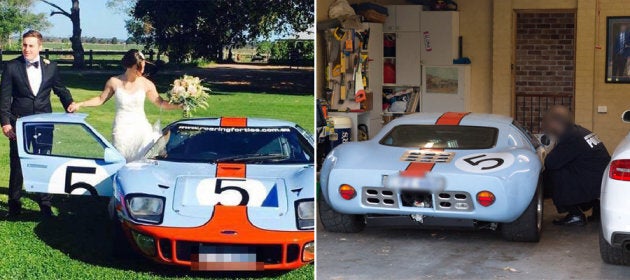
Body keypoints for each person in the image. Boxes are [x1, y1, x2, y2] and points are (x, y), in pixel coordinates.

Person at [0, 30, 77, 218]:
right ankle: (14, 205)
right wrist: (5, 123)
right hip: (19, 123)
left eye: (31, 45)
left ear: (40, 47)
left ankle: (45, 204)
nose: (26, 49)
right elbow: (3, 98)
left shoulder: (51, 67)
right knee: (17, 164)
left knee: (43, 161)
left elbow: (60, 88)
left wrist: (69, 103)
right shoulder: (11, 67)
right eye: (24, 45)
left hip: (44, 122)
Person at [67, 49, 180, 162]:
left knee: (143, 160)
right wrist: (80, 104)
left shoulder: (146, 84)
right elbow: (100, 99)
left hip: (141, 128)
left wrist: (179, 105)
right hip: (121, 129)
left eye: (144, 66)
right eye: (139, 67)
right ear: (130, 66)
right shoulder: (114, 82)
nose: (142, 70)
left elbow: (160, 103)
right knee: (121, 159)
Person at [541, 105, 610, 226]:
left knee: (551, 174)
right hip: (602, 180)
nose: (544, 127)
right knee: (565, 168)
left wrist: (548, 150)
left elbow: (551, 163)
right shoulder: (579, 131)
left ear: (555, 122)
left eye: (546, 122)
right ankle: (597, 207)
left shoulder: (570, 137)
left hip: (593, 182)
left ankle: (575, 215)